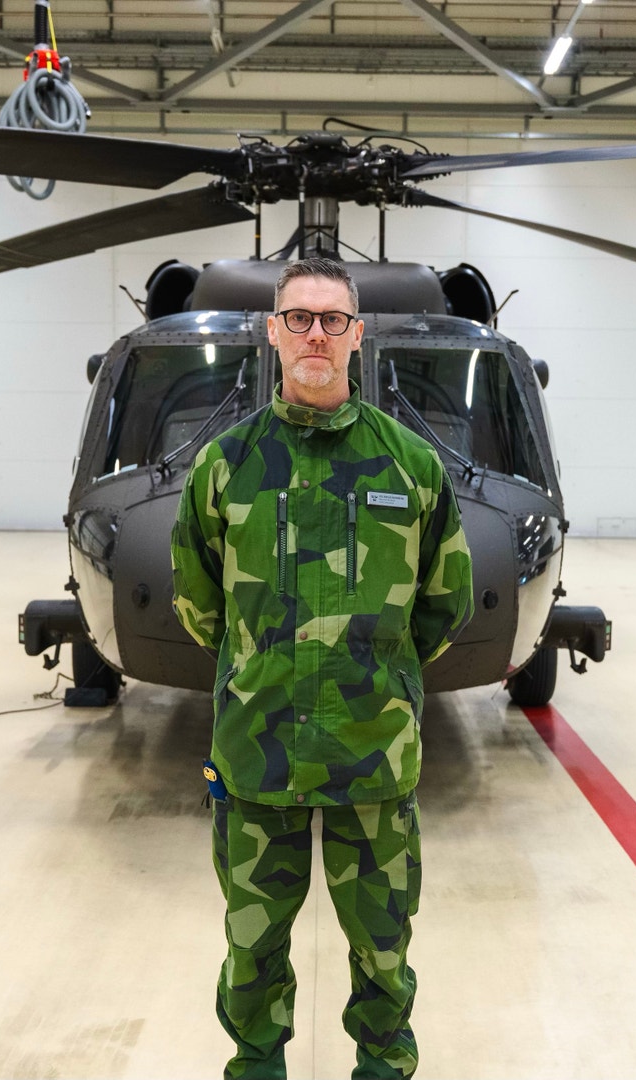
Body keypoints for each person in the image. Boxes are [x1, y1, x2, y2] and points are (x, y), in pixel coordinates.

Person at [170, 257, 475, 1079]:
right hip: (257, 755)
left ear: (356, 335)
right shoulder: (224, 465)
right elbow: (198, 602)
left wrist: (379, 677)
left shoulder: (411, 465)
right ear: (273, 333)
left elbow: (445, 604)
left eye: (332, 320)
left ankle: (382, 1069)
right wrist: (261, 668)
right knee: (252, 950)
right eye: (299, 318)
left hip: (372, 757)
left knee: (383, 952)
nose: (315, 334)